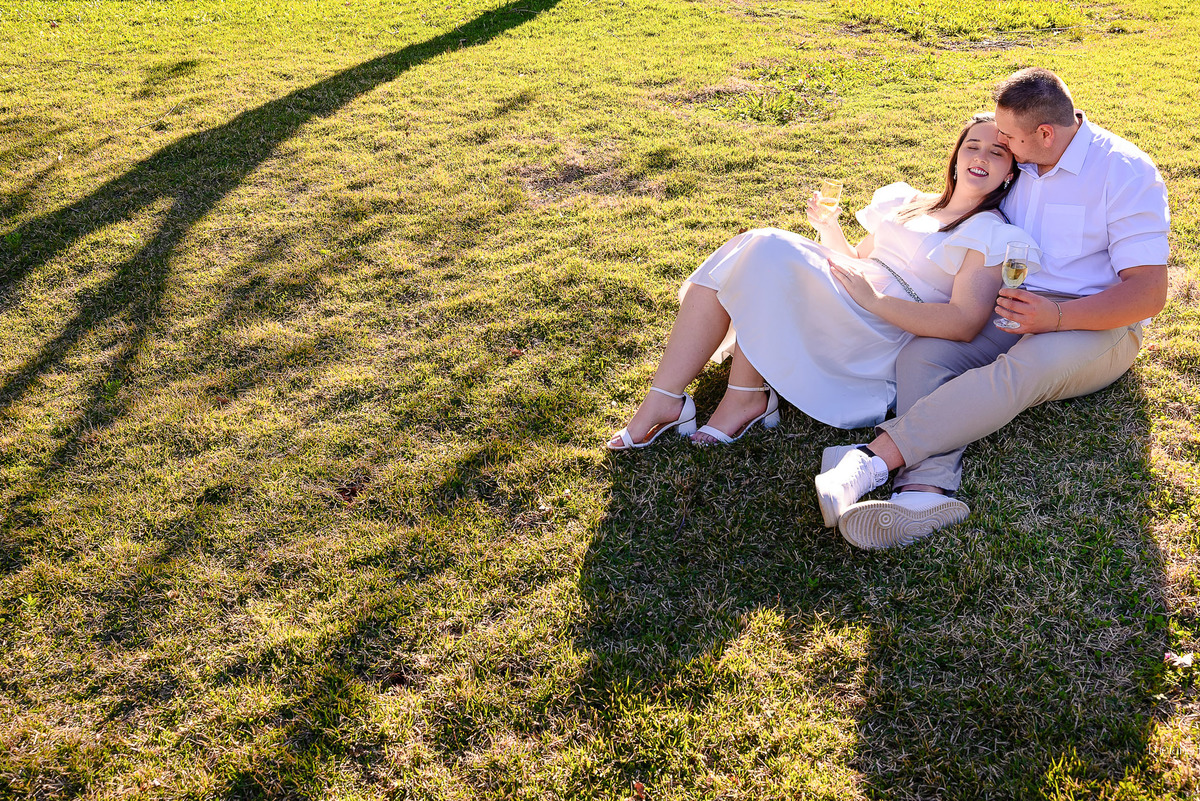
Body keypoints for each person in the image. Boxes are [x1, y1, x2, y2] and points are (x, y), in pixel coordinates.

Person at [815, 67, 1170, 549]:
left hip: (1095, 320)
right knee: (923, 355)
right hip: (1013, 304)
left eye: (1008, 138)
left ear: (1045, 133)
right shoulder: (1021, 163)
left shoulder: (1124, 172)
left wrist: (1056, 318)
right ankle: (924, 493)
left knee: (1021, 370)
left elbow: (1148, 293)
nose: (1001, 144)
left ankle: (869, 461)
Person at [607, 113, 1039, 450]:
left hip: (884, 326)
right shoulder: (911, 203)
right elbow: (857, 260)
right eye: (972, 146)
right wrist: (829, 227)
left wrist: (875, 301)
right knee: (752, 249)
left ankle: (745, 398)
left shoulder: (991, 233)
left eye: (996, 153)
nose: (980, 157)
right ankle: (665, 397)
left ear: (1009, 173)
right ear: (956, 156)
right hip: (854, 293)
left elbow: (963, 322)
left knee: (766, 247)